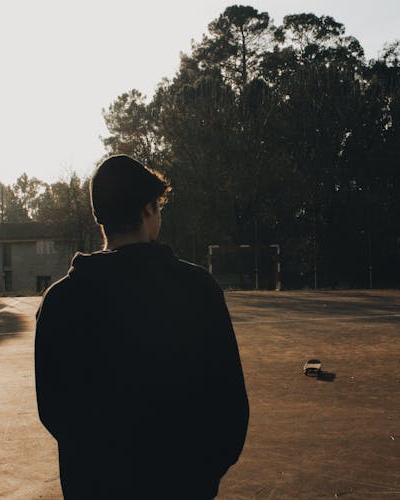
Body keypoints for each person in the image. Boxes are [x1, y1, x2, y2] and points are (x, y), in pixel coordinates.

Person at [35, 154, 249, 499]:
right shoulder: (198, 289)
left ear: (100, 218)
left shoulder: (61, 301)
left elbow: (54, 410)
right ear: (149, 210)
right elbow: (229, 403)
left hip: (95, 487)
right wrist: (203, 474)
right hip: (183, 485)